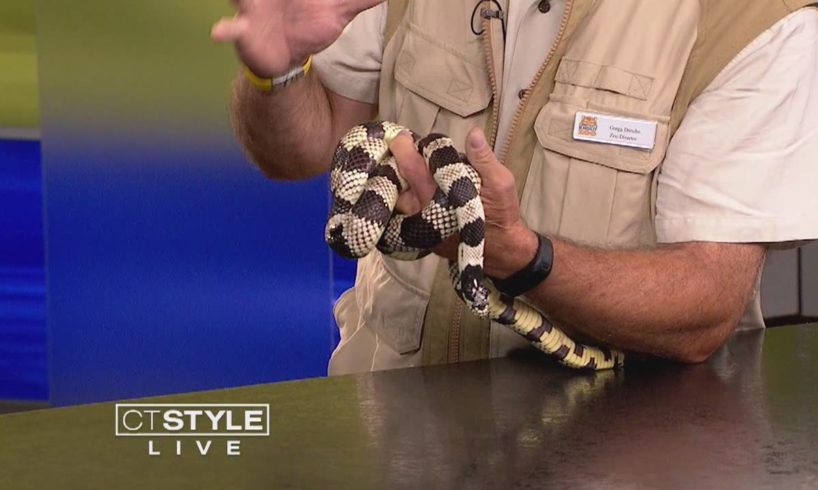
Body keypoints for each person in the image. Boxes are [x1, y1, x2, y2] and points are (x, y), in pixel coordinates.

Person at [212, 0, 818, 374]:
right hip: (396, 440)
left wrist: (521, 259)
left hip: (610, 456)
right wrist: (282, 68)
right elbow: (303, 151)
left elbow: (706, 307)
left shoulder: (755, 18)